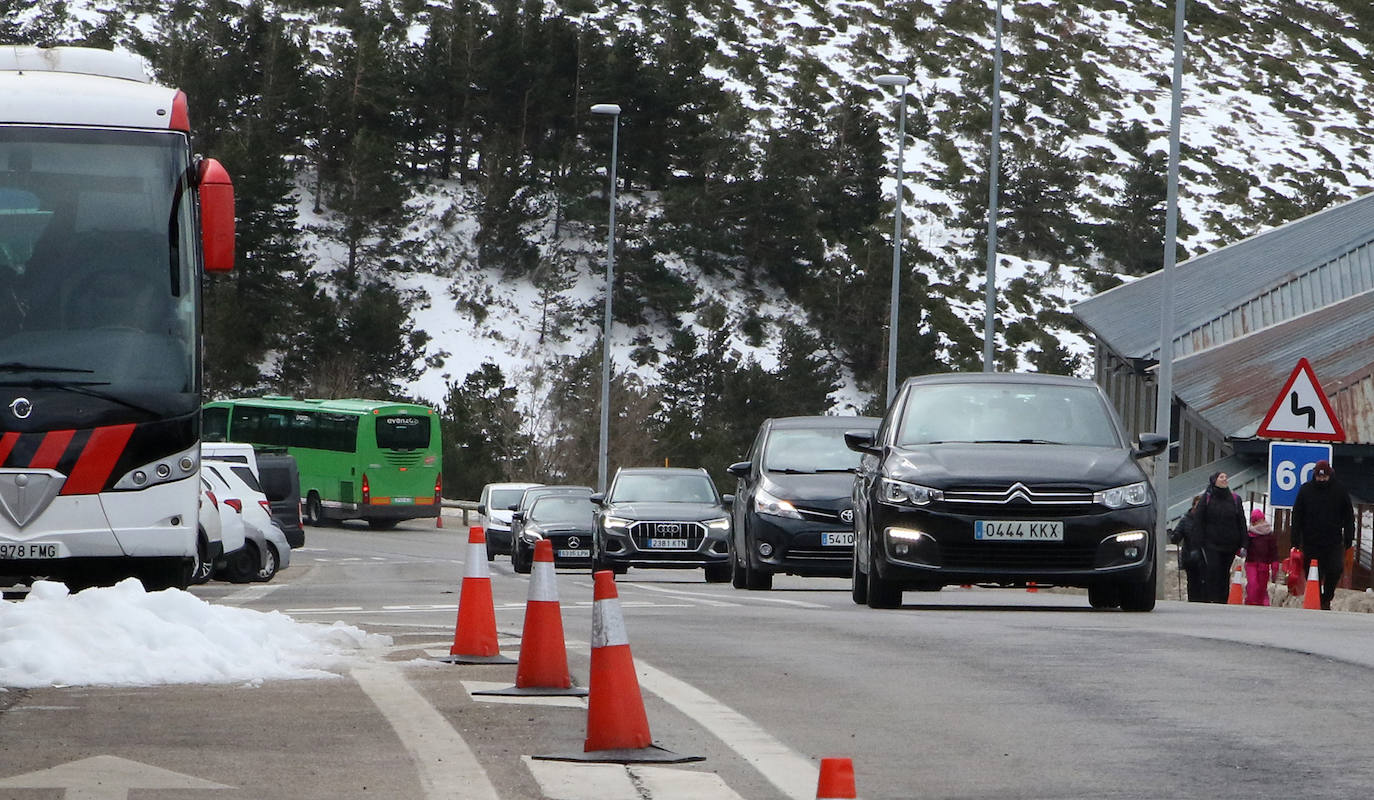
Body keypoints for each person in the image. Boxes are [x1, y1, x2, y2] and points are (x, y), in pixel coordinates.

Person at [1291, 460, 1356, 610]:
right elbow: (1297, 516)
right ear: (1314, 475)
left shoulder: (1339, 490)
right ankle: (1317, 599)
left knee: (1335, 569)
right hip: (1310, 542)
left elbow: (1348, 516)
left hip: (1333, 542)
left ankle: (1327, 597)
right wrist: (1295, 540)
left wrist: (1348, 537)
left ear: (1329, 475)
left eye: (1324, 477)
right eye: (1319, 477)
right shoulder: (1305, 490)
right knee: (1314, 573)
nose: (1321, 480)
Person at [1195, 471, 1247, 603]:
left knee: (1224, 572)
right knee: (1213, 569)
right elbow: (1198, 521)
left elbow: (1241, 521)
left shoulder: (1235, 499)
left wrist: (1244, 544)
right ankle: (1211, 597)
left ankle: (1222, 600)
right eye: (1221, 477)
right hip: (1211, 543)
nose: (1225, 479)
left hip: (1230, 543)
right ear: (1214, 481)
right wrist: (1198, 541)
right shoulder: (1206, 499)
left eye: (1226, 477)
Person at [1169, 495, 1206, 602]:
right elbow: (1176, 537)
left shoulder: (1207, 520)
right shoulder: (1185, 520)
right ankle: (1193, 602)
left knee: (1203, 582)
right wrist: (1175, 536)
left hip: (1204, 556)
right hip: (1190, 556)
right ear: (1193, 506)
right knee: (1193, 581)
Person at [1244, 508, 1279, 606]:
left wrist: (1274, 564)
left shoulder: (1269, 536)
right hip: (1251, 563)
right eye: (1255, 521)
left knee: (1262, 587)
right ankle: (1251, 602)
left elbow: (1273, 551)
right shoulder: (1249, 535)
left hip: (1264, 565)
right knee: (1253, 584)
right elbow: (1244, 546)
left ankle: (1260, 603)